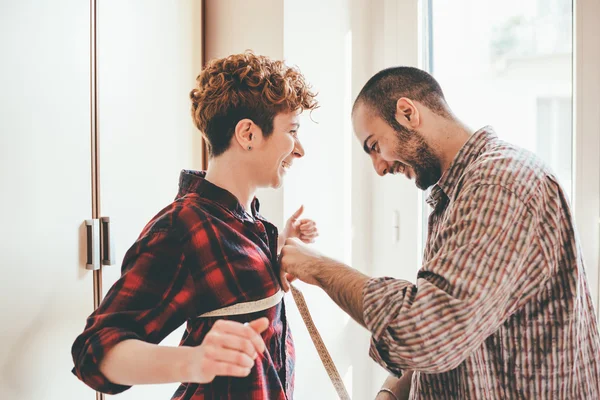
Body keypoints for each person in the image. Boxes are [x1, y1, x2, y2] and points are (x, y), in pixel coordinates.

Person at [279, 66, 600, 399]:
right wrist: (393, 392)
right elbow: (461, 326)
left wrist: (319, 267)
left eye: (374, 146)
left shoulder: (500, 185)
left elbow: (430, 331)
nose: (380, 167)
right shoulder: (463, 192)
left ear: (407, 113)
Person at [72, 52, 319, 399]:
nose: (300, 150)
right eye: (292, 131)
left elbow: (235, 295)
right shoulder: (182, 227)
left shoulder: (250, 221)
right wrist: (194, 361)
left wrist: (281, 255)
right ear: (248, 134)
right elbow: (92, 353)